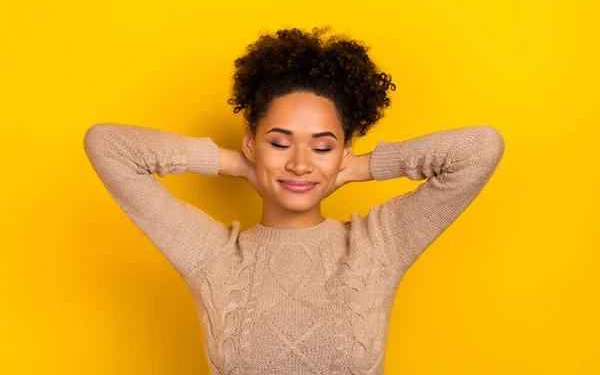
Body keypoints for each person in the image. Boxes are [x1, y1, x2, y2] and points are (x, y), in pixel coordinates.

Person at [83, 26, 505, 375]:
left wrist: (358, 167)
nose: (301, 164)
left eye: (322, 147)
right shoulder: (211, 255)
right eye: (279, 143)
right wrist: (235, 164)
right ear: (251, 144)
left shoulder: (379, 246)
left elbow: (480, 149)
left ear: (343, 151)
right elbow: (108, 145)